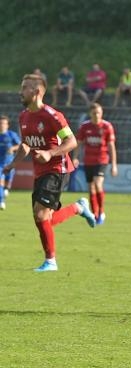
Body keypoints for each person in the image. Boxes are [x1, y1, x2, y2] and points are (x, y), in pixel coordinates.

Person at [2, 74, 96, 272]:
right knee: (43, 219)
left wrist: (50, 152)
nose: (20, 92)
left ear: (36, 92)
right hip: (40, 171)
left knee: (41, 213)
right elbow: (26, 145)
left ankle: (51, 262)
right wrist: (13, 163)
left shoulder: (53, 116)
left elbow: (71, 142)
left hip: (57, 169)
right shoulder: (24, 116)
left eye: (24, 88)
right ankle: (78, 208)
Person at [73, 102, 118, 225]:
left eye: (99, 112)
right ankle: (95, 213)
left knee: (98, 184)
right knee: (91, 188)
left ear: (102, 113)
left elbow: (111, 146)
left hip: (102, 160)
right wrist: (75, 158)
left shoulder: (107, 127)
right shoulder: (84, 126)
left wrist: (114, 165)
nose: (97, 115)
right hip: (88, 161)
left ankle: (101, 212)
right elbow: (79, 143)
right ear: (90, 114)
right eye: (94, 113)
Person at [0, 115, 21, 210]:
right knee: (0, 182)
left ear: (7, 125)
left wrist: (13, 148)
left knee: (7, 184)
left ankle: (6, 189)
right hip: (0, 164)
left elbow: (20, 145)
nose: (2, 125)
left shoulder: (11, 135)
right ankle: (1, 201)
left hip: (10, 163)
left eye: (4, 123)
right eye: (0, 123)